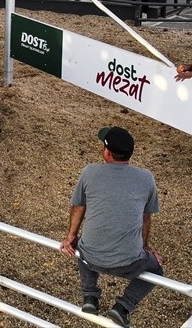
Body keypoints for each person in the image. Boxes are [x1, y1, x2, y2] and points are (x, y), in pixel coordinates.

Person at [62, 126, 162, 328]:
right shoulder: (146, 178)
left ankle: (90, 297)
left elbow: (78, 207)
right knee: (156, 269)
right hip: (129, 264)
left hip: (90, 258)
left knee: (81, 245)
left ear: (106, 152)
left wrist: (70, 236)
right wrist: (144, 247)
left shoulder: (90, 172)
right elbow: (146, 218)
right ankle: (123, 306)